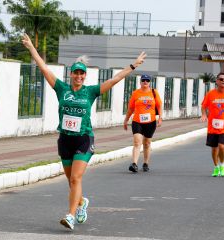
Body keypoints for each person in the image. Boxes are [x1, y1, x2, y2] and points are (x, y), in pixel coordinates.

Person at [22, 33, 146, 230]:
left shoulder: (91, 92)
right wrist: (31, 47)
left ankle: (70, 216)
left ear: (85, 76)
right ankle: (81, 203)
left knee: (76, 178)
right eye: (76, 73)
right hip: (65, 139)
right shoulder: (61, 89)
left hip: (84, 139)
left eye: (82, 74)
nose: (79, 76)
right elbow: (44, 68)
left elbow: (114, 80)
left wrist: (133, 66)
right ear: (70, 74)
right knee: (71, 182)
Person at [201, 73, 224, 177]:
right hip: (212, 127)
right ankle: (216, 167)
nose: (223, 81)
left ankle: (222, 165)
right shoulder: (210, 94)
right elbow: (203, 106)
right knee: (214, 148)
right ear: (217, 81)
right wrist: (204, 114)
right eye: (221, 79)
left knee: (221, 146)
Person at [123, 74, 162, 173]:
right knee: (137, 142)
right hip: (137, 121)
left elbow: (159, 106)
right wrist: (126, 120)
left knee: (147, 143)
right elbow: (131, 108)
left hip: (150, 122)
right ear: (140, 82)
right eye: (143, 80)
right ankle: (134, 164)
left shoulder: (154, 93)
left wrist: (160, 118)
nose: (145, 82)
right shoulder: (136, 93)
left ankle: (145, 163)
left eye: (147, 80)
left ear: (149, 82)